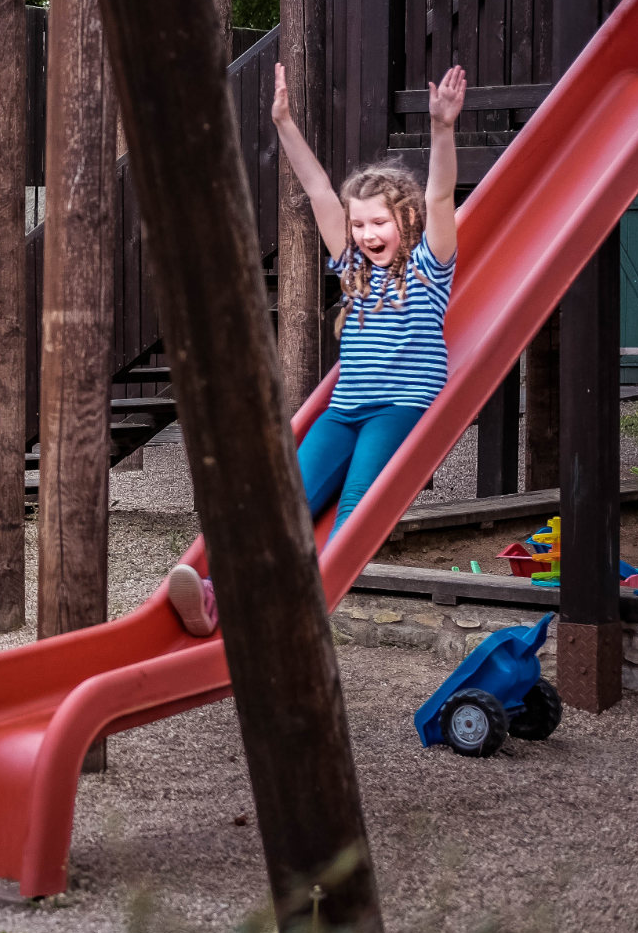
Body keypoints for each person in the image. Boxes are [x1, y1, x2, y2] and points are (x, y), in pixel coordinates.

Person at [167, 62, 464, 637]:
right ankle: (217, 598)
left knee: (352, 520)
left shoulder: (430, 268)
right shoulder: (353, 270)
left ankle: (287, 612)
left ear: (408, 220)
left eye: (380, 223)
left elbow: (442, 190)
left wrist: (443, 131)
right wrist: (283, 122)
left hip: (398, 407)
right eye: (359, 225)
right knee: (285, 507)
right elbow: (318, 190)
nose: (367, 234)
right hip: (345, 409)